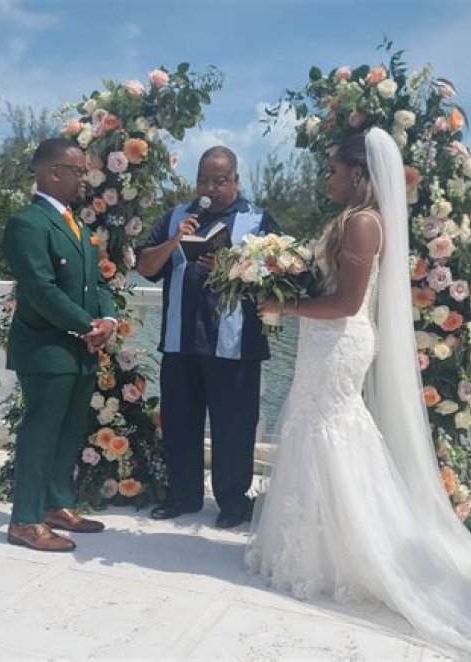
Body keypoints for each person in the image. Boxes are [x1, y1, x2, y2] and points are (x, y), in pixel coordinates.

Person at [246, 128, 471, 657]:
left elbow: (346, 303)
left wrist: (281, 306)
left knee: (329, 431)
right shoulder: (350, 220)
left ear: (358, 174)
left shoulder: (363, 223)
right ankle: (314, 546)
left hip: (338, 339)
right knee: (315, 429)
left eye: (334, 170)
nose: (327, 178)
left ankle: (349, 551)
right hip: (324, 340)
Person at [136, 146, 280, 529]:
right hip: (180, 341)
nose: (211, 189)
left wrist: (232, 266)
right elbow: (145, 265)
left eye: (220, 181)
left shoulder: (258, 221)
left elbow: (282, 276)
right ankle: (182, 495)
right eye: (204, 180)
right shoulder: (177, 217)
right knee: (179, 423)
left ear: (236, 181)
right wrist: (173, 241)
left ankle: (233, 502)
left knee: (234, 427)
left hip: (235, 345)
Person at [1, 138, 117, 552]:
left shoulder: (75, 225)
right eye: (79, 171)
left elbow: (97, 284)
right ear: (53, 172)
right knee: (41, 433)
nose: (85, 179)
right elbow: (41, 290)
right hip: (46, 349)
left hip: (79, 349)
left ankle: (55, 504)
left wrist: (108, 320)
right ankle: (25, 520)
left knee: (68, 432)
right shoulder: (27, 224)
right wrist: (88, 324)